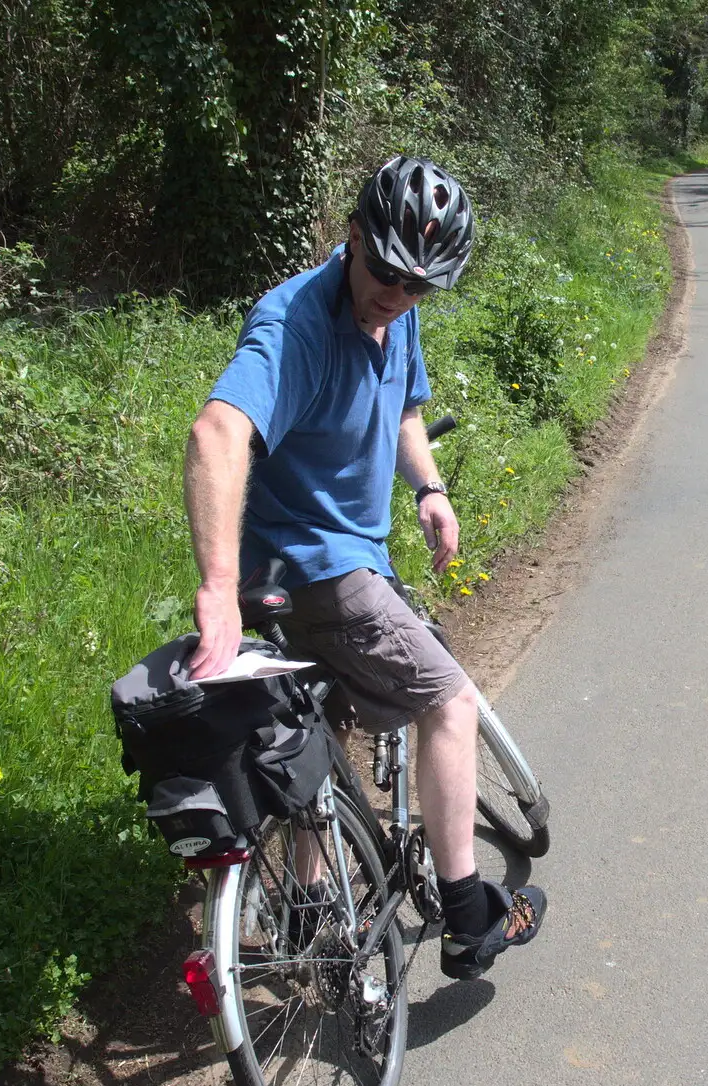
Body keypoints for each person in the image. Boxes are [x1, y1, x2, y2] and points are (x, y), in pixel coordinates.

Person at [182, 155, 545, 980]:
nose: (396, 293)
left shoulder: (396, 312)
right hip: (318, 568)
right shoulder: (296, 325)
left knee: (323, 730)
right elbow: (215, 433)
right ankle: (466, 916)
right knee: (449, 700)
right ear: (349, 237)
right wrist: (214, 587)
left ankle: (311, 910)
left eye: (419, 284)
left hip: (334, 563)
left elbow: (405, 402)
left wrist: (429, 487)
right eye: (384, 272)